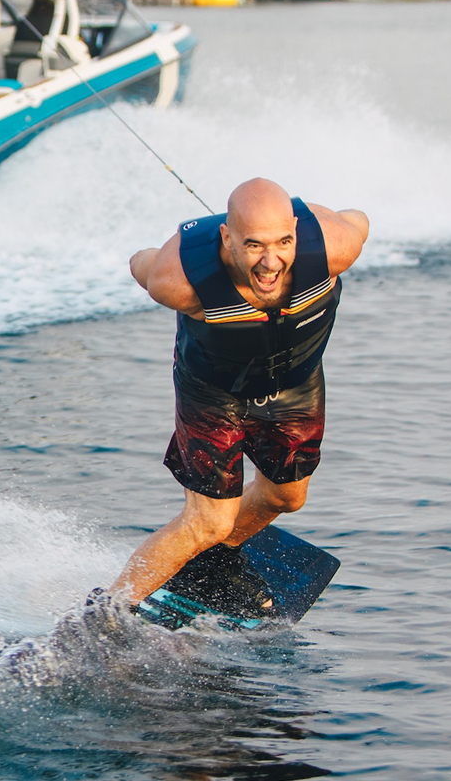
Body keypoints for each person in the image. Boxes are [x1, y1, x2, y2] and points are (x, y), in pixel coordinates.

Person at [108, 178, 369, 614]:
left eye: (284, 242)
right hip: (213, 392)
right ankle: (107, 612)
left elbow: (358, 220)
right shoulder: (182, 283)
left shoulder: (334, 248)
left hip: (293, 384)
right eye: (253, 246)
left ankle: (212, 563)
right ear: (227, 238)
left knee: (287, 497)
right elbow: (143, 265)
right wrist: (155, 257)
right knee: (209, 520)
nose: (271, 264)